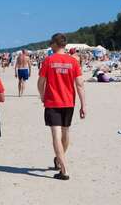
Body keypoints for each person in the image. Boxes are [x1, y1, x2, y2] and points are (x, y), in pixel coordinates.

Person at [37, 33, 86, 180]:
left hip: (53, 102)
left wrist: (42, 95)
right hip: (68, 102)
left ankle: (64, 170)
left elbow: (40, 82)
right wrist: (83, 105)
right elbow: (80, 84)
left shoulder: (48, 60)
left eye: (51, 43)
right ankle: (59, 160)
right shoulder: (73, 62)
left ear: (54, 44)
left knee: (57, 136)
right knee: (65, 134)